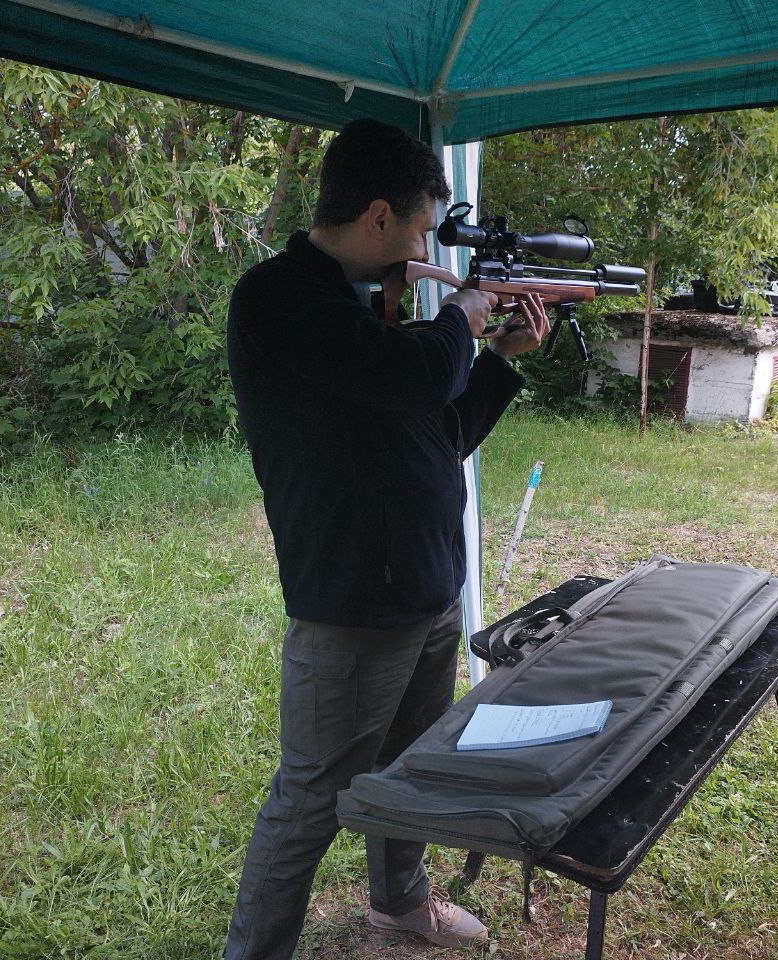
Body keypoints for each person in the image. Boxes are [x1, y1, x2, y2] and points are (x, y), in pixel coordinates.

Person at [222, 118, 549, 960]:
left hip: (428, 587)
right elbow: (413, 375)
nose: (425, 249)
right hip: (354, 602)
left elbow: (439, 433)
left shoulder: (370, 307)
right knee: (310, 800)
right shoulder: (280, 298)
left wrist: (497, 356)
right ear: (377, 216)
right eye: (419, 230)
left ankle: (399, 902)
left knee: (411, 769)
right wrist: (465, 316)